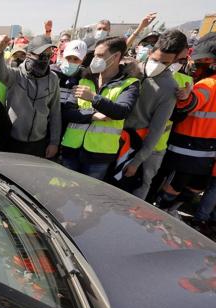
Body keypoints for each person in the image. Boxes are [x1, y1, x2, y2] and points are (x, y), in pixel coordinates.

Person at [119, 30, 188, 199]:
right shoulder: (131, 69)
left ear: (173, 61)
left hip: (136, 147)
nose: (157, 65)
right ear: (150, 52)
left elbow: (157, 129)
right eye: (155, 59)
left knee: (134, 191)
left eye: (164, 62)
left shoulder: (169, 88)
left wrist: (137, 161)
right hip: (112, 139)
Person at [60, 37, 140, 179]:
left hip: (99, 156)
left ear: (116, 57)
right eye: (95, 55)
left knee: (88, 195)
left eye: (100, 55)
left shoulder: (129, 84)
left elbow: (122, 111)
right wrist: (92, 116)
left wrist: (93, 98)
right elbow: (67, 112)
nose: (95, 59)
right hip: (71, 149)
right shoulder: (85, 79)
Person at [154, 33, 216, 215]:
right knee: (192, 187)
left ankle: (162, 212)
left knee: (176, 187)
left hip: (187, 149)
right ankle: (167, 211)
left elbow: (192, 102)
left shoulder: (207, 84)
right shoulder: (207, 84)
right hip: (200, 151)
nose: (194, 65)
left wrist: (186, 97)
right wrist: (187, 96)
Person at [0, 35, 61, 158]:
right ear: (29, 55)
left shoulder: (53, 79)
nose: (45, 59)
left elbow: (55, 113)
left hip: (39, 144)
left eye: (48, 55)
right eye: (41, 55)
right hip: (13, 142)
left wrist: (54, 142)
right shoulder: (16, 75)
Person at [50, 40, 88, 135]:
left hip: (68, 124)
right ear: (63, 55)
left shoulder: (84, 76)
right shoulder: (51, 71)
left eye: (76, 59)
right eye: (68, 57)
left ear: (83, 59)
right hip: (47, 120)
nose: (71, 61)